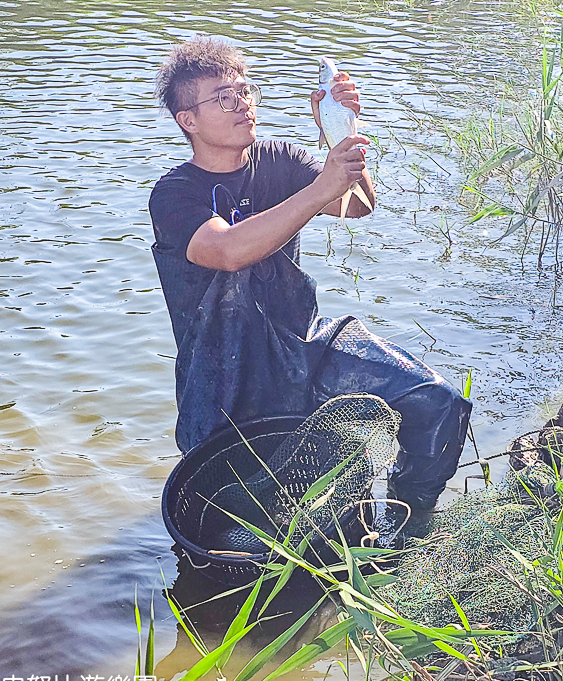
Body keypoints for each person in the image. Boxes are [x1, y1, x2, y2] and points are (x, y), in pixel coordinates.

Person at [149, 35, 471, 510]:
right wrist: (321, 185)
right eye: (223, 97)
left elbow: (356, 206)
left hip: (300, 345)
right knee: (239, 502)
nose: (242, 104)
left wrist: (343, 135)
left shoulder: (280, 159)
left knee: (437, 400)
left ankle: (409, 522)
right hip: (220, 376)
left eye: (244, 91)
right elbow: (228, 250)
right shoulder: (175, 193)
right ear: (188, 120)